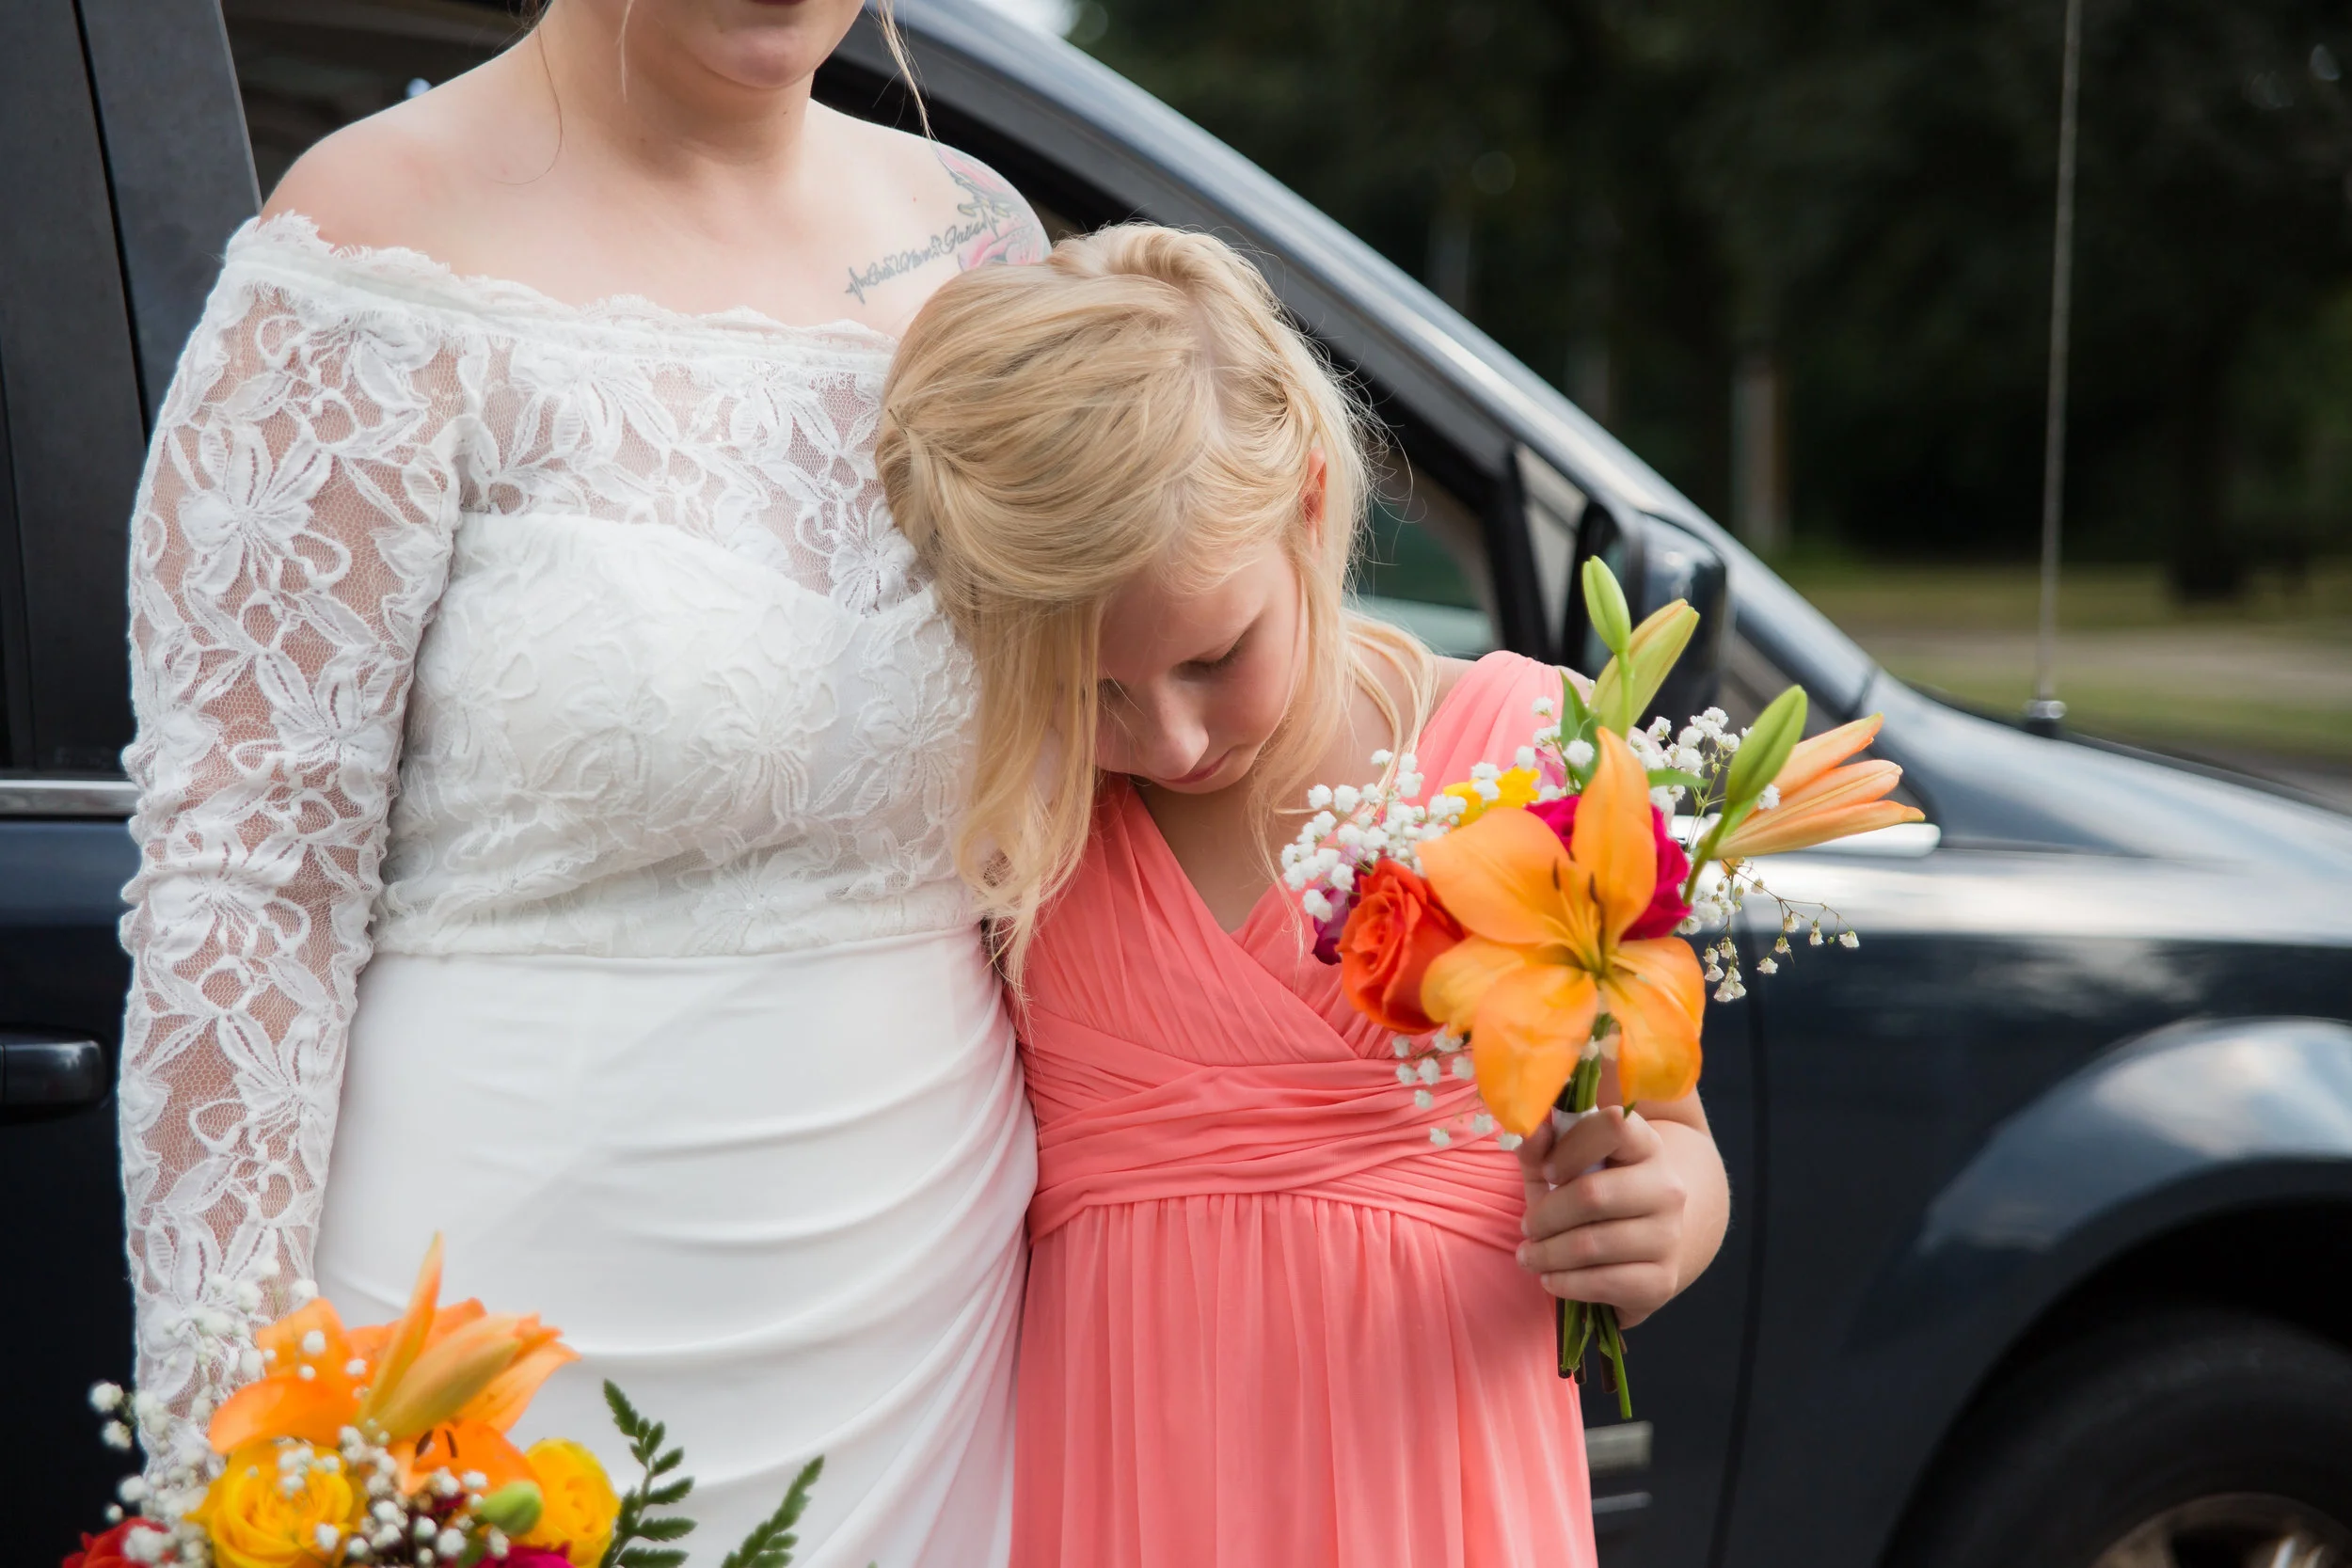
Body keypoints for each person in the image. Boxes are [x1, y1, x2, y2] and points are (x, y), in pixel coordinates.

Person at [115, 2, 1047, 1560]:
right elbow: (247, 886)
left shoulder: (975, 241)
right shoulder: (373, 240)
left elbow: (1147, 726)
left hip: (930, 1339)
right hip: (490, 1341)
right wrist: (230, 1454)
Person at [877, 224, 1733, 1566]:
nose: (1169, 740)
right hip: (1133, 1488)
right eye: (1092, 692)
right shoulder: (1021, 820)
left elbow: (1672, 1133)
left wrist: (1663, 1214)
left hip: (1431, 1485)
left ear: (1312, 502)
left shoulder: (1525, 756)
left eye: (1215, 657)